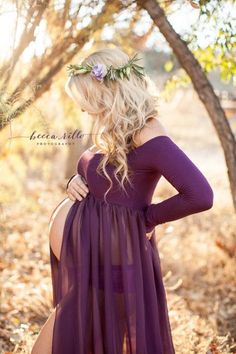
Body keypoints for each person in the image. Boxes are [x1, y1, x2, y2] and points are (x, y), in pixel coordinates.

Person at [31, 47, 214, 354]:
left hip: (113, 269)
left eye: (88, 99)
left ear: (108, 91)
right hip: (90, 269)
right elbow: (104, 179)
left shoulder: (148, 131)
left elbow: (200, 194)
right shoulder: (112, 129)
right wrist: (76, 179)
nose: (85, 109)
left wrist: (148, 218)